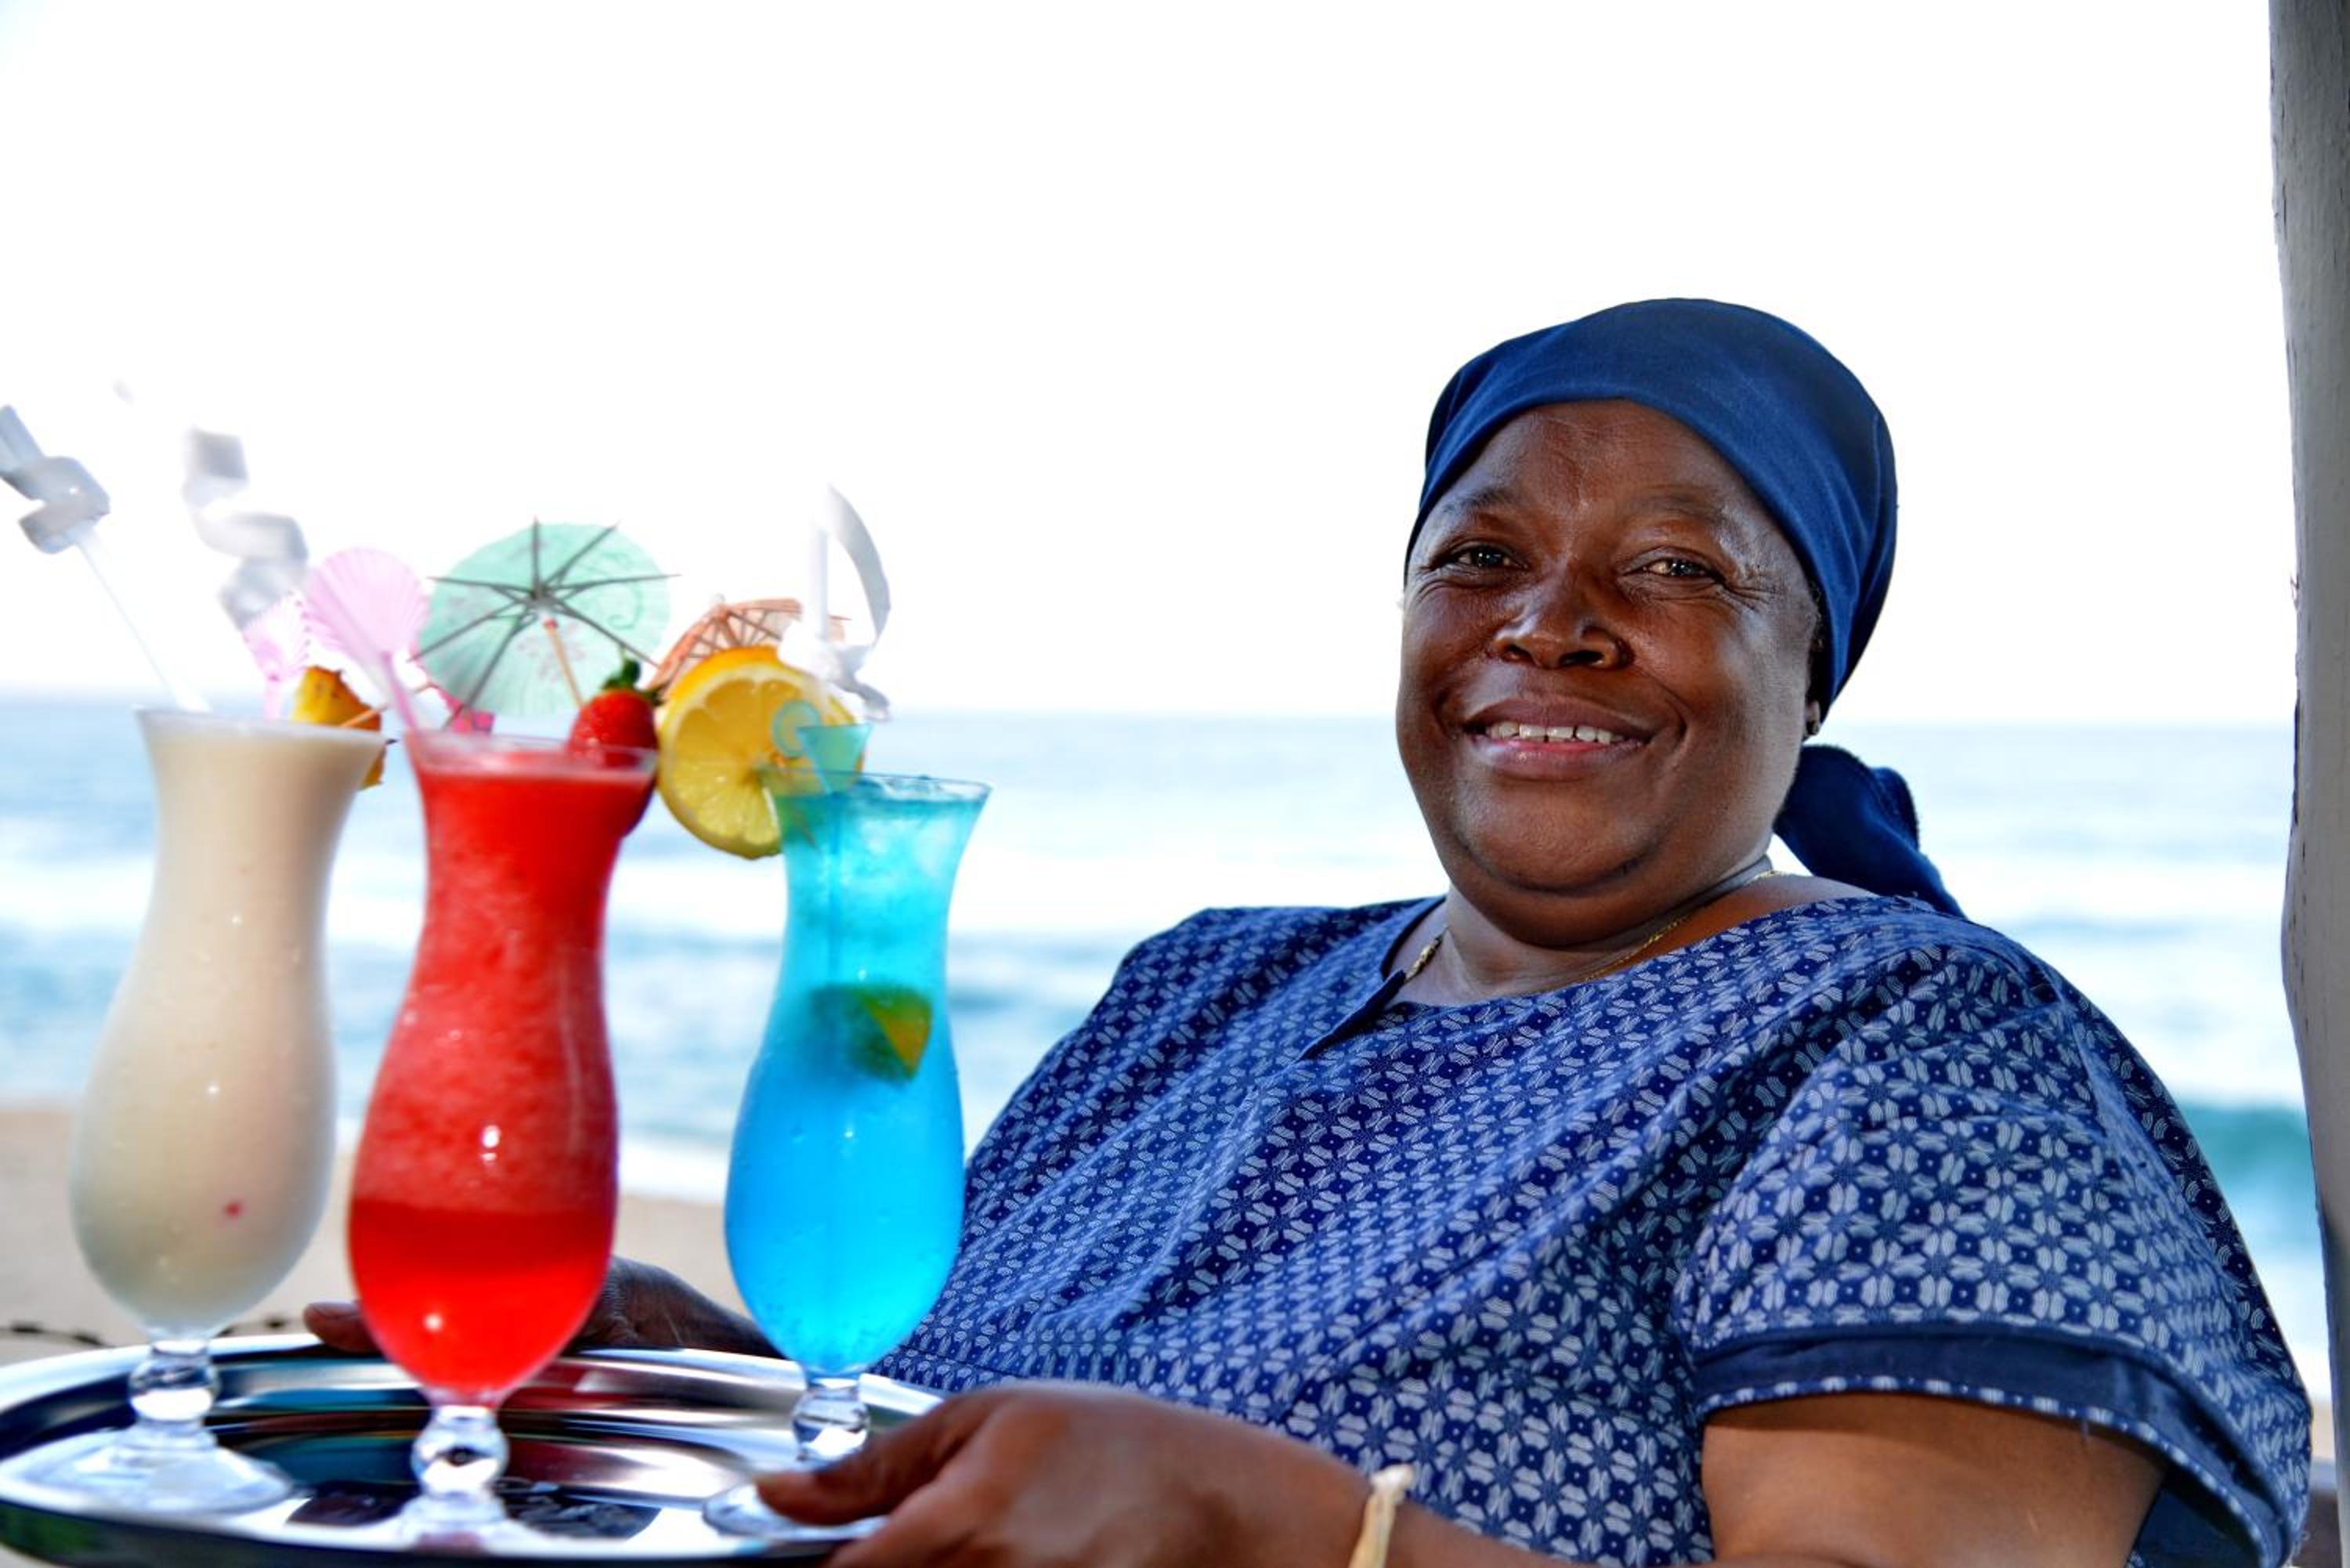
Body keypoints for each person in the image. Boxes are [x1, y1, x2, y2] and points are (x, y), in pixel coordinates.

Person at [313, 300, 2312, 1567]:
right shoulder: (1200, 982)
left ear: (1814, 669)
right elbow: (1003, 1436)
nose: (1552, 622)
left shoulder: (1913, 1038)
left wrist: (1280, 1525)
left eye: (1677, 568)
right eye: (1481, 553)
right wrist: (719, 1374)